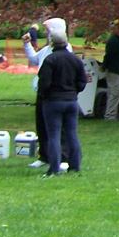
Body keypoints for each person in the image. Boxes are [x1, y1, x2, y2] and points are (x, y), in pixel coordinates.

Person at [37, 22, 86, 176]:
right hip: (71, 101)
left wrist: (44, 95)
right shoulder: (76, 60)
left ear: (52, 42)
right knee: (72, 134)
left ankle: (53, 169)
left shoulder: (50, 60)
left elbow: (44, 83)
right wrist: (74, 92)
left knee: (54, 135)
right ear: (66, 42)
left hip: (53, 101)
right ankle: (75, 166)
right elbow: (82, 81)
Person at [25, 18, 70, 169]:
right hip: (42, 93)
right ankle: (44, 156)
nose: (45, 33)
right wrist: (27, 44)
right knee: (42, 126)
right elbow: (33, 59)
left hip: (56, 94)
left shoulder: (65, 49)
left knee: (59, 128)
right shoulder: (46, 50)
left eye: (47, 30)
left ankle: (63, 158)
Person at [102, 23, 119, 121]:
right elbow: (108, 56)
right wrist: (104, 66)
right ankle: (110, 115)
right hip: (114, 71)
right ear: (114, 29)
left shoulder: (116, 41)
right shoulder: (113, 42)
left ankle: (112, 114)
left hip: (116, 70)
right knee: (115, 93)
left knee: (114, 92)